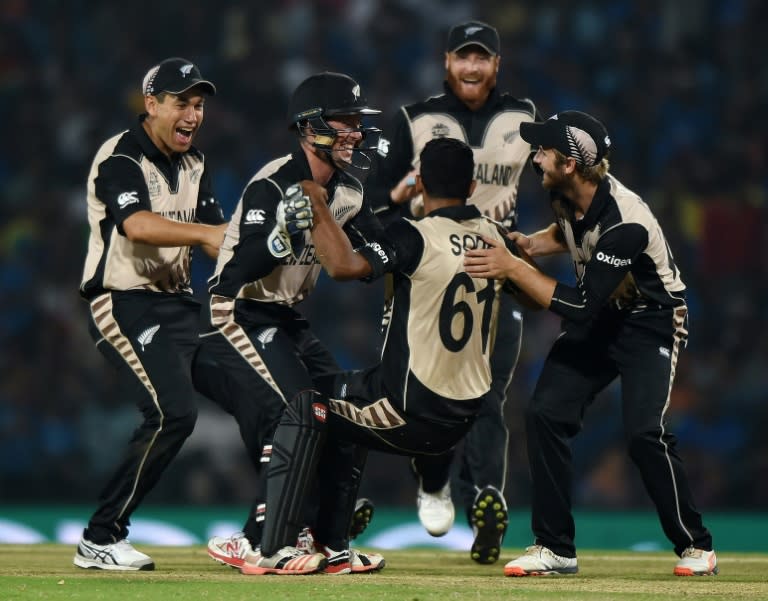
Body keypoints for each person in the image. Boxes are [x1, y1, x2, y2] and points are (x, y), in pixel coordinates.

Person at [246, 136, 522, 576]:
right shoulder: (495, 237)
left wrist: (317, 205)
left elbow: (343, 267)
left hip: (410, 413)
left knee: (305, 406)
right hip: (464, 417)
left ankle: (269, 543)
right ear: (472, 187)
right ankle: (333, 538)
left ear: (420, 185)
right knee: (339, 389)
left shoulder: (414, 235)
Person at [463, 110, 718, 577]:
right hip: (606, 315)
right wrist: (531, 246)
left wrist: (514, 267)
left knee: (644, 434)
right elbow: (571, 232)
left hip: (652, 322)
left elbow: (579, 307)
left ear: (571, 163)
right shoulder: (566, 193)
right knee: (544, 414)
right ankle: (555, 547)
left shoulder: (627, 221)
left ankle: (696, 546)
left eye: (543, 151)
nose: (534, 158)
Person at [193, 71, 386, 576]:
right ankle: (262, 542)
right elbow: (234, 271)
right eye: (344, 122)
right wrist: (280, 236)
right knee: (300, 410)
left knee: (345, 410)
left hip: (284, 316)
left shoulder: (348, 191)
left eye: (356, 122)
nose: (355, 132)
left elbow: (373, 254)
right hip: (236, 310)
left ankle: (331, 543)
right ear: (310, 127)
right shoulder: (272, 182)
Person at [364, 18, 539, 564]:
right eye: (463, 57)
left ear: (496, 65)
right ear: (446, 62)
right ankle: (435, 478)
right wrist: (398, 202)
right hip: (426, 271)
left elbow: (558, 176)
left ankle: (486, 497)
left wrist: (538, 242)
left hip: (492, 267)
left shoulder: (524, 119)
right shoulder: (415, 121)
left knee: (488, 393)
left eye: (481, 57)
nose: (471, 66)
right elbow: (374, 197)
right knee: (430, 390)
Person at [75, 57, 227, 570]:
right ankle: (101, 536)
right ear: (152, 105)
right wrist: (209, 234)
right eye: (182, 102)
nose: (193, 114)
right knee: (171, 413)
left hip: (181, 305)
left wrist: (268, 245)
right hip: (124, 303)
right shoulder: (118, 157)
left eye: (199, 104)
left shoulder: (194, 163)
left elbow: (217, 238)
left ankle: (275, 528)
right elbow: (137, 226)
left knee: (260, 391)